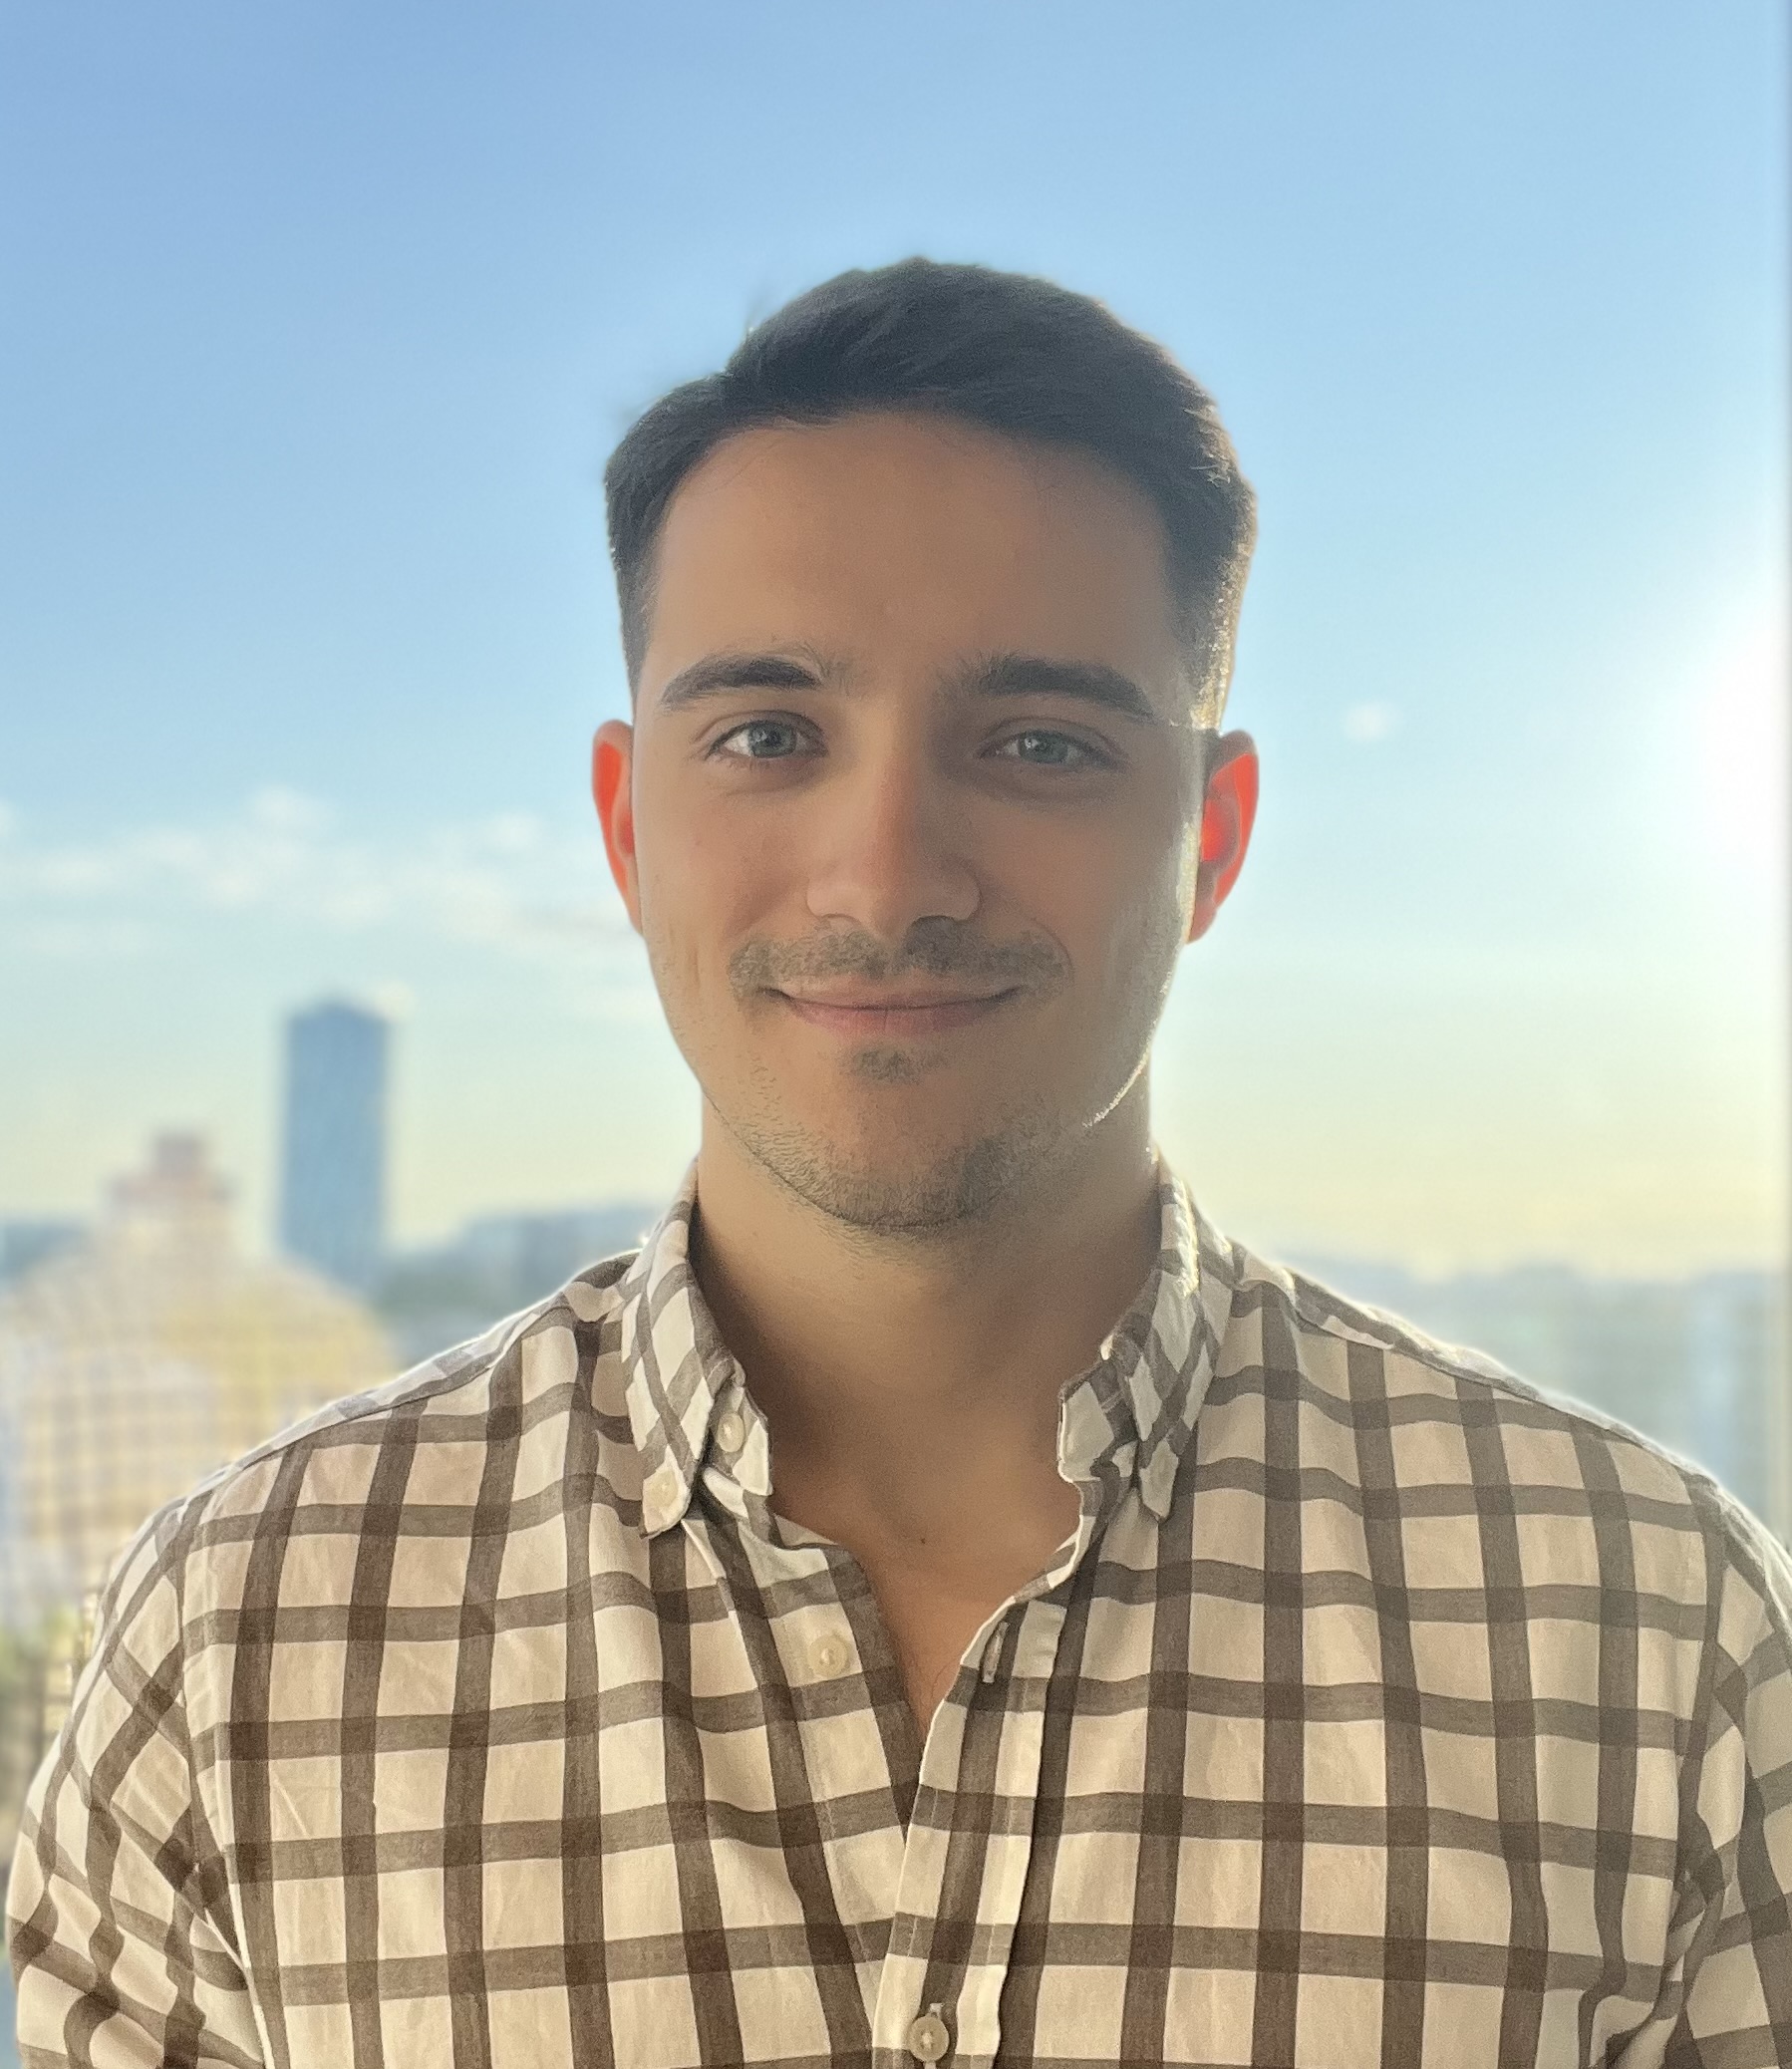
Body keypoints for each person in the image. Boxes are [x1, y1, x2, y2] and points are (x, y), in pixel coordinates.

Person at [9, 259, 1791, 2068]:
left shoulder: (1650, 1630)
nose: (885, 878)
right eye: (767, 736)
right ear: (627, 829)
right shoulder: (240, 1637)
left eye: (1039, 744)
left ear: (1211, 836)